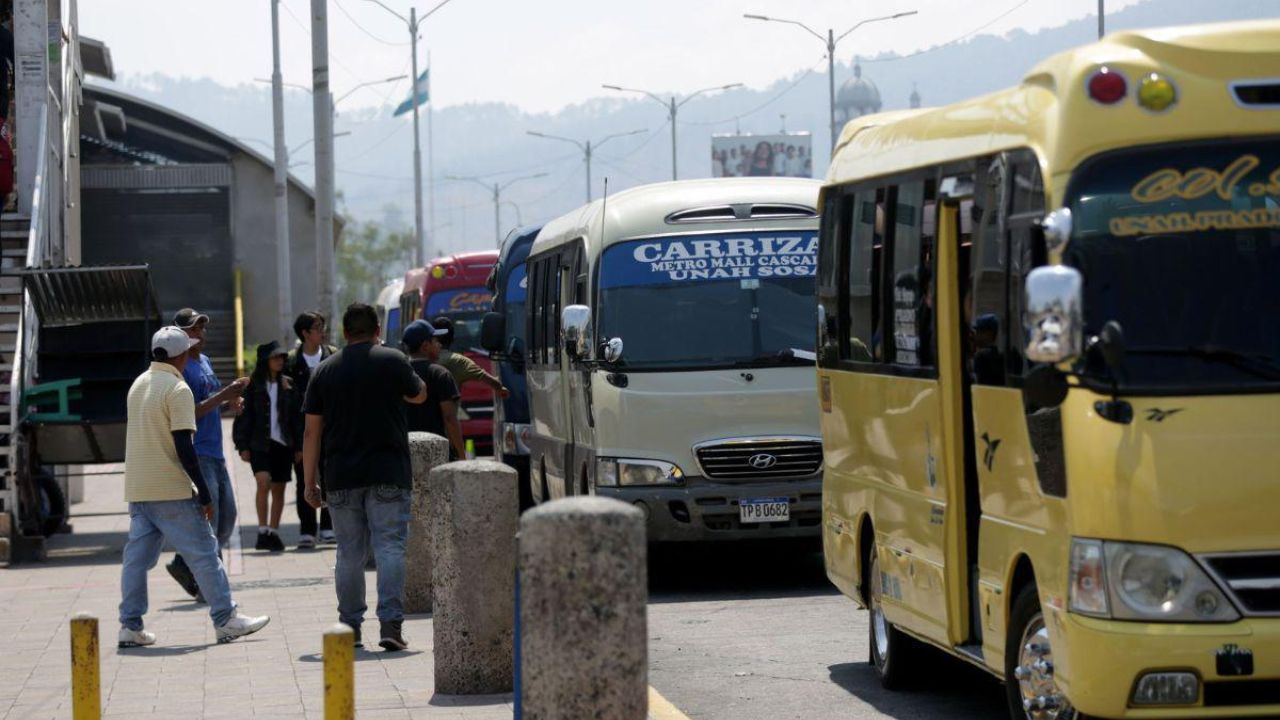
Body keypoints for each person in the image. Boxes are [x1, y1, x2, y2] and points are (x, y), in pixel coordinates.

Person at [118, 326, 269, 648]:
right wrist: (202, 491)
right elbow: (184, 445)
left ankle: (130, 626)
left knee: (136, 561)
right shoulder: (178, 388)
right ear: (183, 355)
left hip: (139, 488)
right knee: (205, 555)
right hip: (171, 487)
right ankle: (226, 618)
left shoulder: (139, 384)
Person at [302, 303, 427, 651]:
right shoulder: (393, 360)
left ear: (344, 333)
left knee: (349, 553)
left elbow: (311, 432)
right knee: (389, 547)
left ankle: (350, 627)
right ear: (376, 330)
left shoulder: (324, 371)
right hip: (388, 470)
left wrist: (309, 482)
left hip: (340, 475)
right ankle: (390, 624)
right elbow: (419, 394)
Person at [165, 308, 248, 601]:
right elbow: (188, 412)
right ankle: (211, 586)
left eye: (201, 328)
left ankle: (185, 563)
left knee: (228, 517)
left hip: (215, 449)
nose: (200, 333)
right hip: (197, 450)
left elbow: (209, 404)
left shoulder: (206, 362)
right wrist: (224, 395)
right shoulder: (180, 369)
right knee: (210, 520)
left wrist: (229, 404)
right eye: (193, 329)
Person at [233, 341, 303, 552]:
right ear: (265, 361)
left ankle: (273, 531)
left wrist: (299, 446)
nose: (280, 361)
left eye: (282, 357)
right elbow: (243, 417)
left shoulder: (289, 385)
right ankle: (262, 529)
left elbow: (297, 419)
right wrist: (242, 445)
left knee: (279, 489)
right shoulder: (252, 385)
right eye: (275, 357)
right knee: (263, 483)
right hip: (259, 444)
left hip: (284, 445)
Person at [286, 311, 336, 547]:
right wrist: (292, 440)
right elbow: (284, 406)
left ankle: (328, 526)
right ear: (305, 333)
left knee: (329, 478)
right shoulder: (290, 363)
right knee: (303, 481)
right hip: (302, 433)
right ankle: (307, 529)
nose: (322, 332)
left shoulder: (333, 356)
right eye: (317, 327)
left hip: (331, 430)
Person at [402, 320, 466, 459]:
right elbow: (449, 418)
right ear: (425, 346)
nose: (440, 345)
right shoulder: (440, 374)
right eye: (435, 341)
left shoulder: (398, 374)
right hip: (436, 452)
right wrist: (461, 455)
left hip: (405, 453)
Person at [430, 315, 510, 402]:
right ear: (453, 339)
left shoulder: (421, 359)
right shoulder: (459, 361)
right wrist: (500, 388)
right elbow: (490, 380)